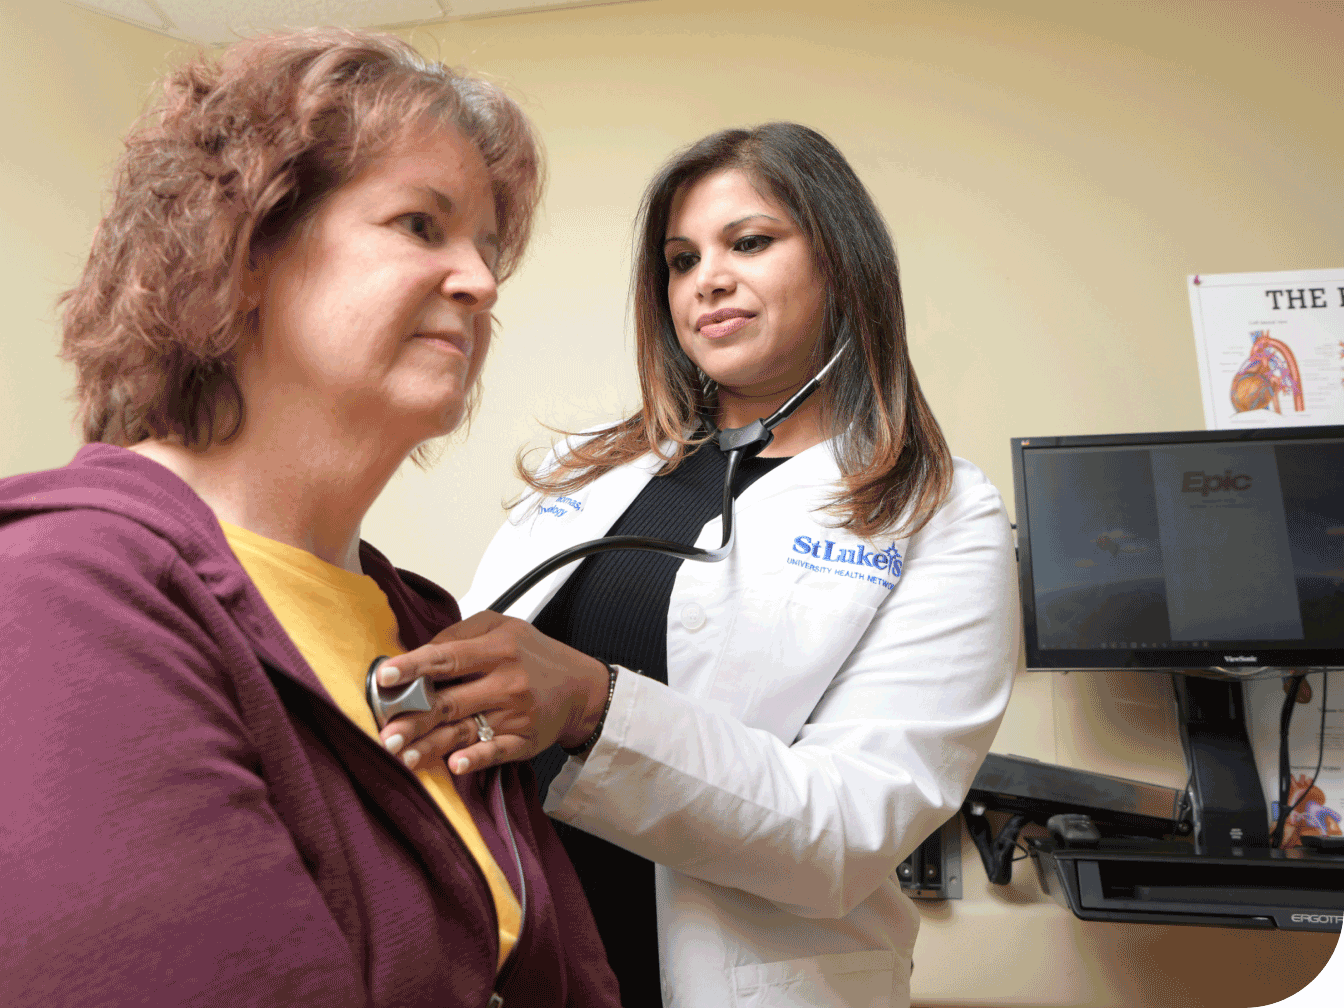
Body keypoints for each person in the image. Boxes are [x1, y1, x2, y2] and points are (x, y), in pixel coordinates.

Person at [0, 28, 622, 1008]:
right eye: (422, 224)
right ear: (243, 253)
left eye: (489, 247)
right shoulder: (68, 598)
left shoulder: (420, 622)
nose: (482, 282)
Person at [373, 122, 1020, 1007]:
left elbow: (849, 830)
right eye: (681, 260)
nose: (707, 280)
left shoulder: (940, 514)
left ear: (842, 262)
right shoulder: (600, 472)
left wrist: (593, 707)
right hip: (529, 966)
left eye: (749, 243)